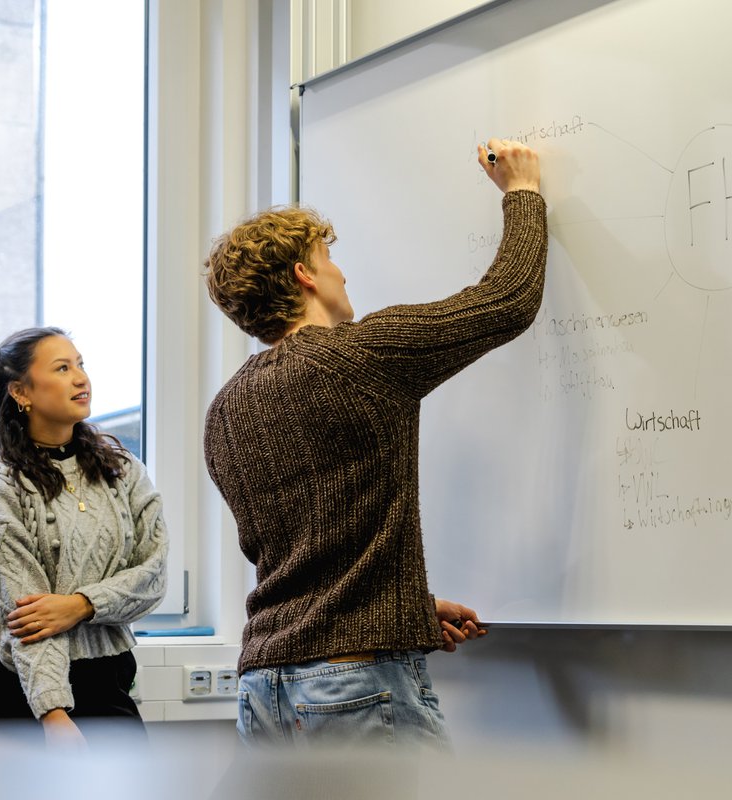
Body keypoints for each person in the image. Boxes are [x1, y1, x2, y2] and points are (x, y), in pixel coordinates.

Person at [203, 138, 546, 749]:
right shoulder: (359, 355)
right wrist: (522, 193)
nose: (342, 271)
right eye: (327, 258)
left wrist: (406, 606)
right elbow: (507, 302)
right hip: (351, 685)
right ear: (305, 275)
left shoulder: (224, 411)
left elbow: (306, 549)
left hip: (265, 691)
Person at [0, 326, 168, 746]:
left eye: (81, 365)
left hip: (104, 675)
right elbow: (24, 613)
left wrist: (82, 605)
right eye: (63, 367)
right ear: (21, 392)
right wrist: (53, 713)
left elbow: (153, 575)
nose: (81, 378)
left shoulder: (123, 471)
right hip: (8, 678)